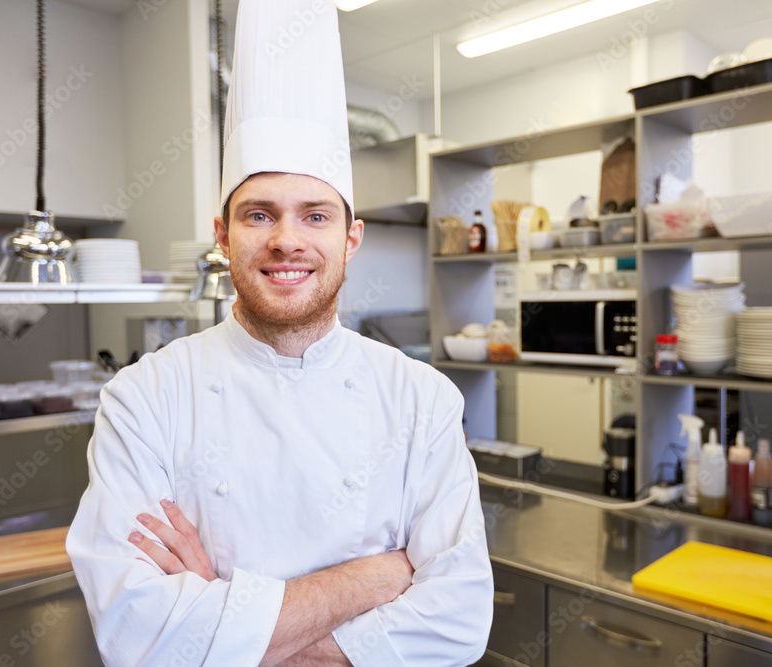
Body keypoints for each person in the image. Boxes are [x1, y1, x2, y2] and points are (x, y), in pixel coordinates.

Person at [65, 0, 494, 665]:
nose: (286, 240)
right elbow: (137, 633)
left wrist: (219, 615)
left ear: (351, 238)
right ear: (223, 235)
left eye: (315, 215)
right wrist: (376, 577)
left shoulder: (423, 400)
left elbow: (461, 618)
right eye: (259, 214)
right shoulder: (143, 397)